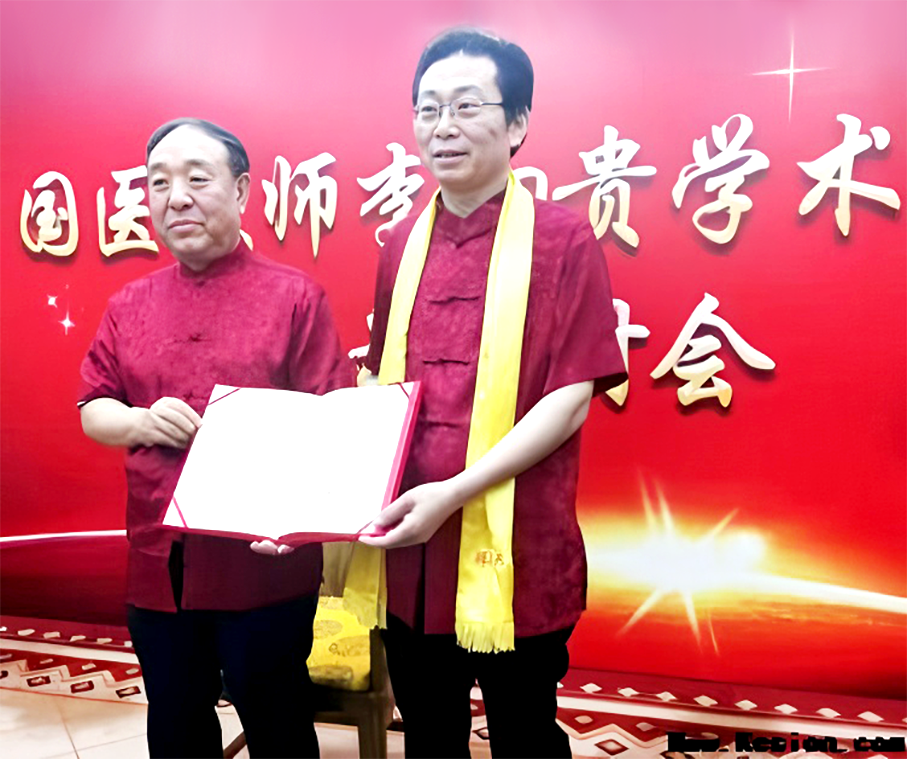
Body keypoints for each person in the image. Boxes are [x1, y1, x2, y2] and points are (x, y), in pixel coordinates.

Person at [350, 28, 627, 759]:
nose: (442, 126)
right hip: (413, 544)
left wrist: (453, 492)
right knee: (429, 733)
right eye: (428, 108)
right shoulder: (399, 244)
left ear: (517, 124)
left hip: (518, 549)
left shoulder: (563, 241)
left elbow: (571, 397)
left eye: (467, 105)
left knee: (524, 732)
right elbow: (382, 389)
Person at [78, 118, 353, 759]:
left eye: (197, 179)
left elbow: (333, 422)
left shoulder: (295, 297)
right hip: (158, 562)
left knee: (279, 726)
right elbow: (94, 407)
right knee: (175, 724)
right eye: (159, 183)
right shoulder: (129, 304)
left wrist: (299, 518)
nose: (176, 197)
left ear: (242, 190)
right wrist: (141, 422)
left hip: (263, 567)